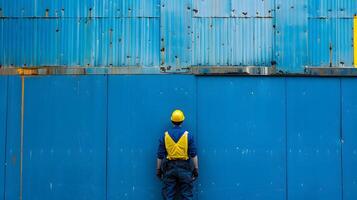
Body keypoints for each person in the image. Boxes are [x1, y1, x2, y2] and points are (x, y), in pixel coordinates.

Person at [156, 109, 199, 200]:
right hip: (185, 168)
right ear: (182, 121)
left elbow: (160, 156)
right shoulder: (188, 135)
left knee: (168, 196)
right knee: (187, 195)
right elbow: (193, 154)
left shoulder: (165, 135)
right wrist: (196, 169)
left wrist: (158, 170)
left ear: (172, 121)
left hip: (169, 168)